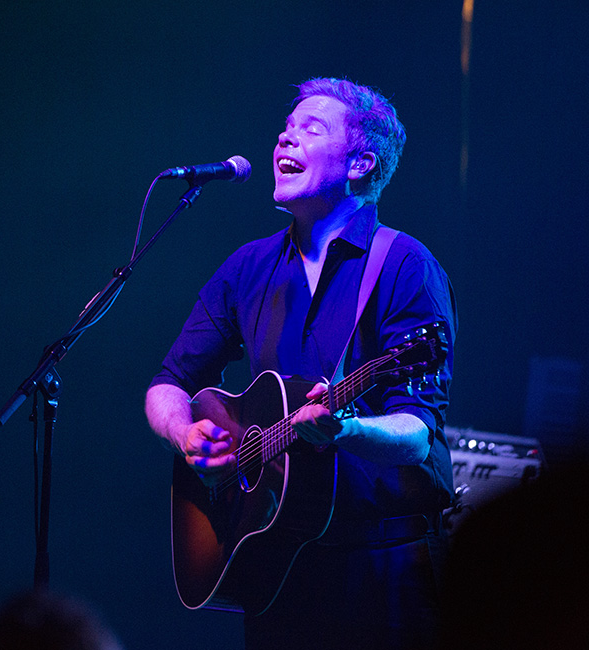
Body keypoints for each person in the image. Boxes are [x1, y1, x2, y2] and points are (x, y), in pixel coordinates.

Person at [145, 78, 456, 649]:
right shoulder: (248, 267)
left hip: (384, 567)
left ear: (360, 164)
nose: (284, 139)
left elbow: (418, 434)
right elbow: (169, 383)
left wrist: (347, 431)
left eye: (310, 129)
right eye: (285, 129)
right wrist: (185, 434)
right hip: (275, 564)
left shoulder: (405, 265)